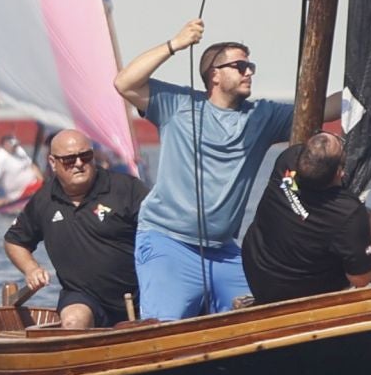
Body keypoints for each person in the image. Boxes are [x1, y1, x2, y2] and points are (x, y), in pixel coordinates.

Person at [113, 19, 294, 319]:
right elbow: (124, 83)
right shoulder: (178, 104)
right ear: (215, 75)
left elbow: (322, 108)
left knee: (268, 319)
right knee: (163, 334)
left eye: (251, 66)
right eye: (240, 66)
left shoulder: (263, 117)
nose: (249, 71)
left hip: (223, 251)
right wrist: (175, 44)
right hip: (167, 241)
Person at [3, 128, 148, 328]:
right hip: (82, 297)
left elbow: (163, 232)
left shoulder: (127, 188)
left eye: (86, 156)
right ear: (53, 163)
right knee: (73, 320)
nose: (79, 164)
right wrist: (31, 269)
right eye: (69, 160)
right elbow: (14, 241)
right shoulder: (43, 200)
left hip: (140, 295)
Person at [241, 132, 371, 304]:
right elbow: (360, 280)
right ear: (339, 173)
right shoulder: (348, 212)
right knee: (367, 218)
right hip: (302, 293)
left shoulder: (287, 159)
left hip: (257, 277)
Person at [0, 132, 43, 211]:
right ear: (5, 144)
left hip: (35, 185)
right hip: (19, 193)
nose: (15, 146)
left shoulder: (19, 150)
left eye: (16, 144)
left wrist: (42, 181)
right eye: (13, 144)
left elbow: (32, 166)